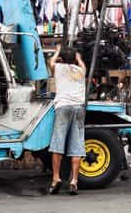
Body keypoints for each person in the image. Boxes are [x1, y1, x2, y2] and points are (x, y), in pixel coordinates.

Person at [47, 47, 87, 195]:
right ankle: (74, 180)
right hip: (79, 107)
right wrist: (78, 58)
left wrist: (57, 51)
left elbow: (50, 62)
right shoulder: (81, 71)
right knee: (77, 145)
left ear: (61, 59)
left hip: (63, 107)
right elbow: (82, 64)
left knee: (58, 143)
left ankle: (56, 178)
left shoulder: (59, 68)